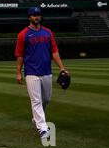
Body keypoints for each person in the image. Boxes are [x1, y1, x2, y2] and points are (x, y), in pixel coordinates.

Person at [15, 7, 69, 139]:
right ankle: (43, 128)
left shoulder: (48, 33)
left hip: (46, 71)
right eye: (34, 15)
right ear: (29, 17)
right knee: (36, 101)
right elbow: (20, 55)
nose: (37, 17)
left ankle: (37, 118)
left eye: (38, 15)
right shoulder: (23, 35)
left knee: (46, 99)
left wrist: (62, 67)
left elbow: (54, 51)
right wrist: (18, 72)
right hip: (31, 72)